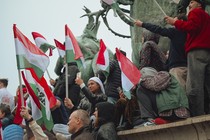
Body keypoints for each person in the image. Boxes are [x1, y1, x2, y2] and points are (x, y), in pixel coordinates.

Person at [165, 0, 210, 116]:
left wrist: (175, 22)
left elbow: (192, 26)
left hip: (196, 52)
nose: (189, 6)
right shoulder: (207, 17)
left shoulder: (195, 13)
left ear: (199, 5)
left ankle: (197, 113)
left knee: (194, 86)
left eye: (191, 2)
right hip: (207, 51)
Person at [134, 14, 188, 91]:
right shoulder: (189, 33)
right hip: (187, 66)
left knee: (179, 92)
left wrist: (142, 24)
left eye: (174, 20)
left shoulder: (148, 44)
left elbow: (159, 29)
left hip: (176, 68)